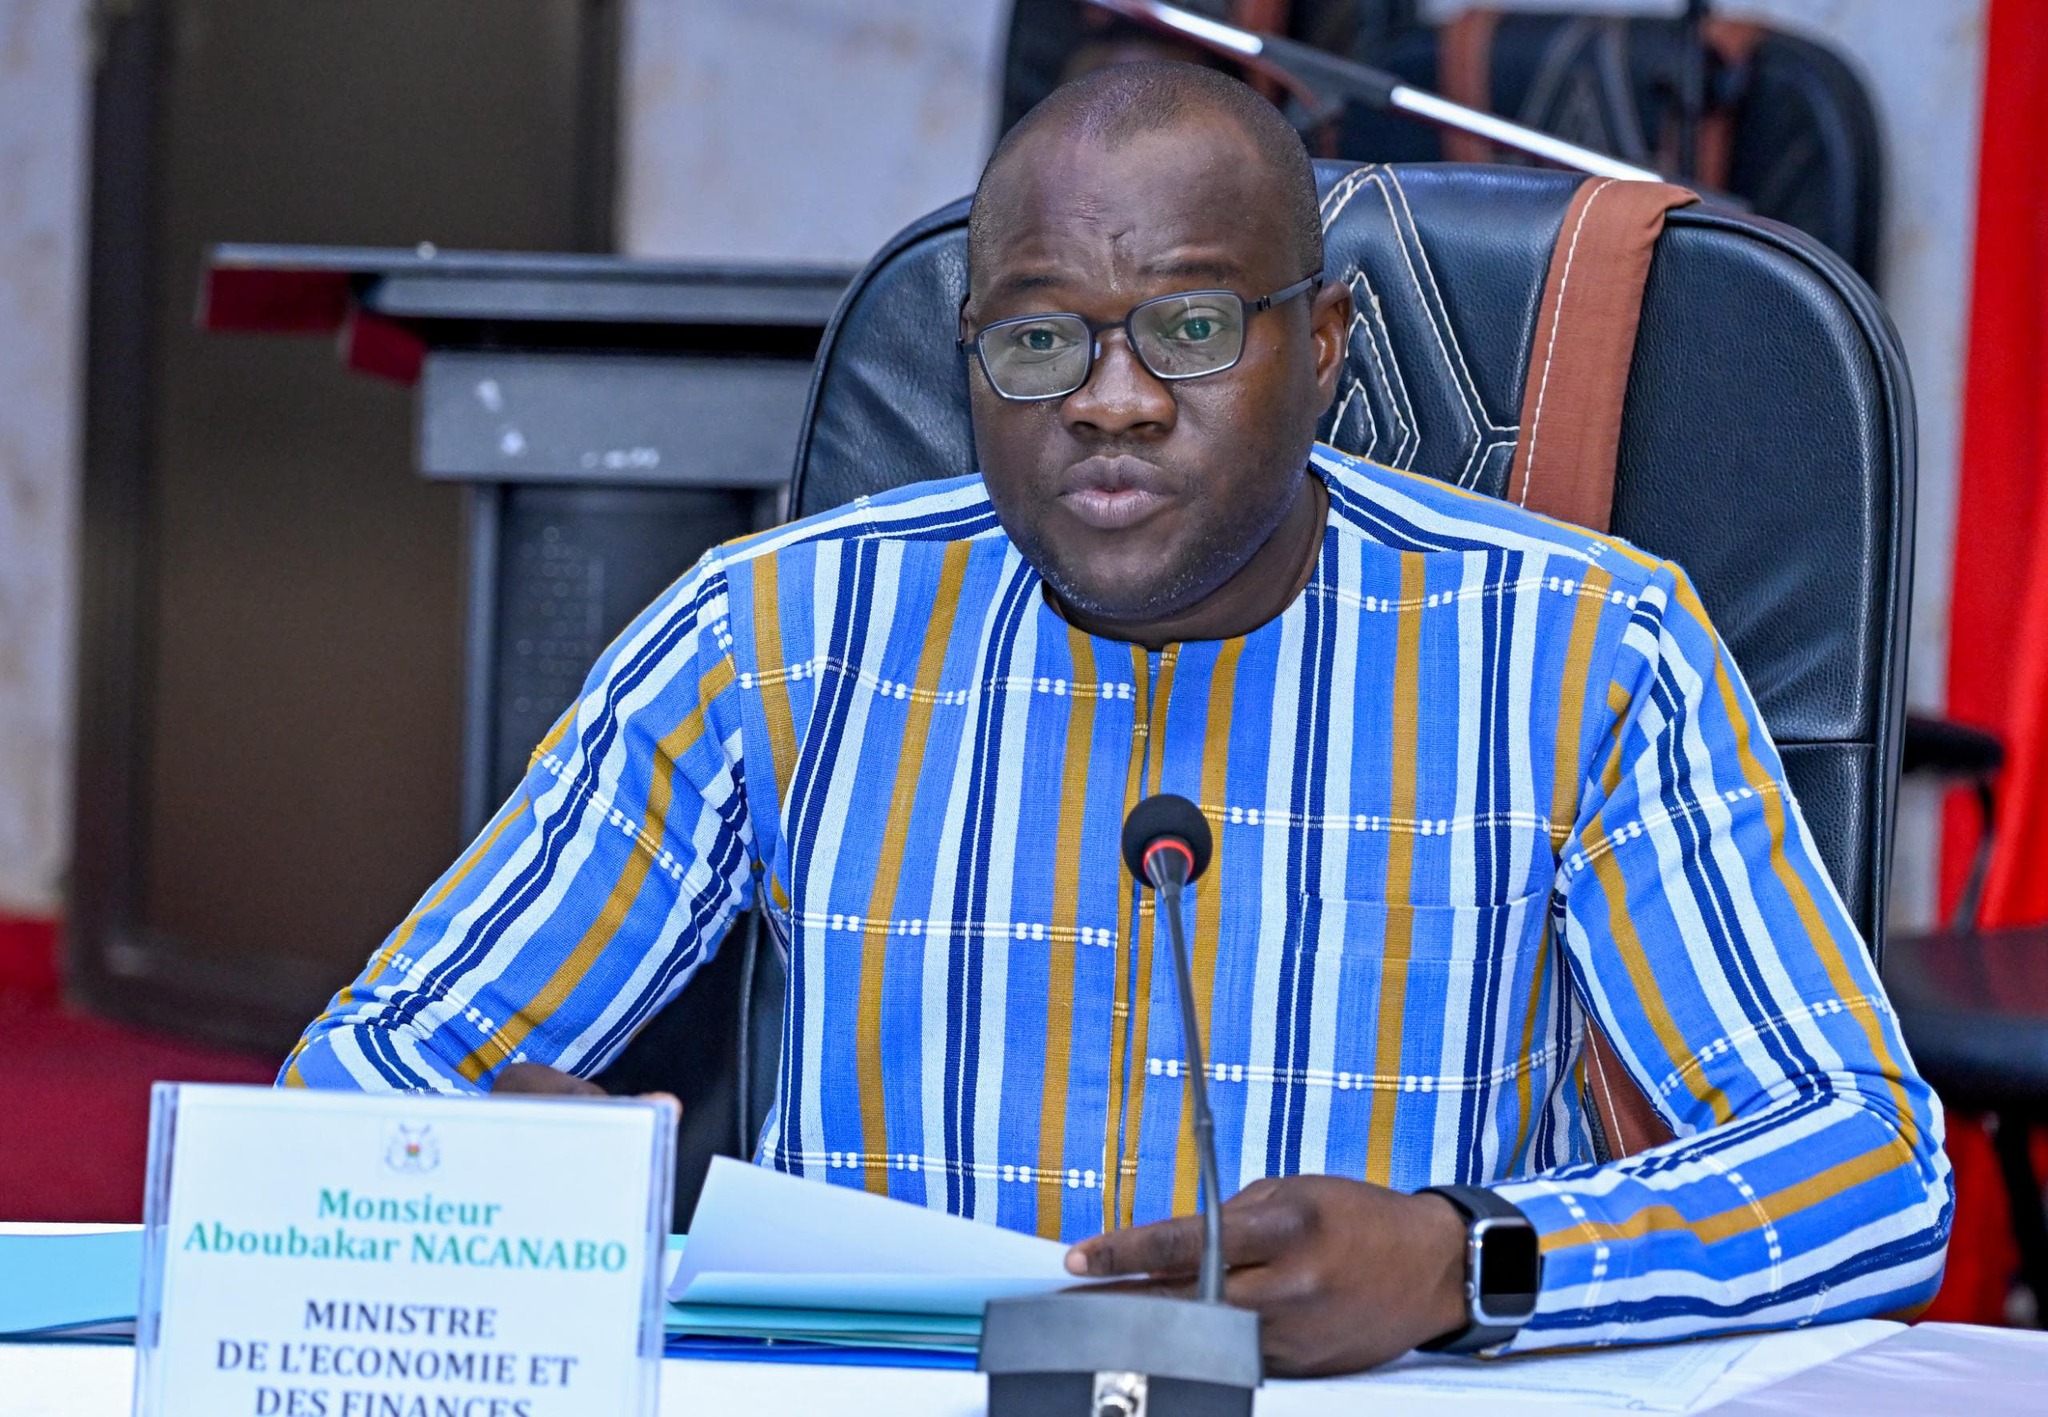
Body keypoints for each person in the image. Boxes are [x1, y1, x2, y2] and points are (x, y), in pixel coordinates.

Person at [284, 62, 1950, 1374]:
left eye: (1193, 327)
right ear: (967, 362)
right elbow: (361, 1072)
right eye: (1037, 340)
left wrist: (1467, 1259)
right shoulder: (774, 640)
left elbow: (1871, 1171)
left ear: (1324, 347)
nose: (1113, 399)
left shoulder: (1580, 653)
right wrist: (515, 1165)